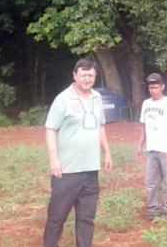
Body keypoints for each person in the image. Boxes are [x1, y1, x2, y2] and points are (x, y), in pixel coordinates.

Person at [42, 58, 113, 247]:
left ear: (95, 76)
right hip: (67, 172)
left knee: (86, 219)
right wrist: (54, 160)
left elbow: (100, 127)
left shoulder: (97, 98)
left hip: (91, 171)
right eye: (83, 75)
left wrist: (107, 153)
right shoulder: (63, 99)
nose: (87, 79)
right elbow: (50, 129)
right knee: (57, 218)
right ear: (75, 76)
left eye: (91, 75)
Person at [136, 73, 167, 221]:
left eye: (156, 87)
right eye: (151, 87)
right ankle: (152, 212)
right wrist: (139, 146)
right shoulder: (146, 104)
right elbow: (143, 128)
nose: (153, 90)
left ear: (162, 87)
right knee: (151, 183)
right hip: (152, 150)